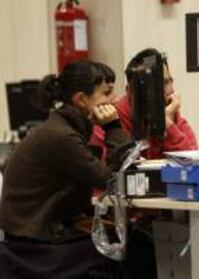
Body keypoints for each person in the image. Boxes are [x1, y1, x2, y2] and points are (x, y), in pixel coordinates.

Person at [0, 60, 130, 278]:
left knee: (128, 238)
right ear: (81, 99)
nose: (114, 100)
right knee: (128, 249)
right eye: (106, 93)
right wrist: (113, 127)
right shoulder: (61, 136)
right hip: (36, 246)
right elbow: (112, 181)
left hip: (39, 232)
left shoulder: (63, 128)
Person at [91, 48, 198, 159]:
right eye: (153, 84)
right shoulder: (110, 120)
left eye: (166, 82)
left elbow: (190, 163)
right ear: (130, 91)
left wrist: (166, 124)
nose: (163, 91)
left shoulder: (171, 114)